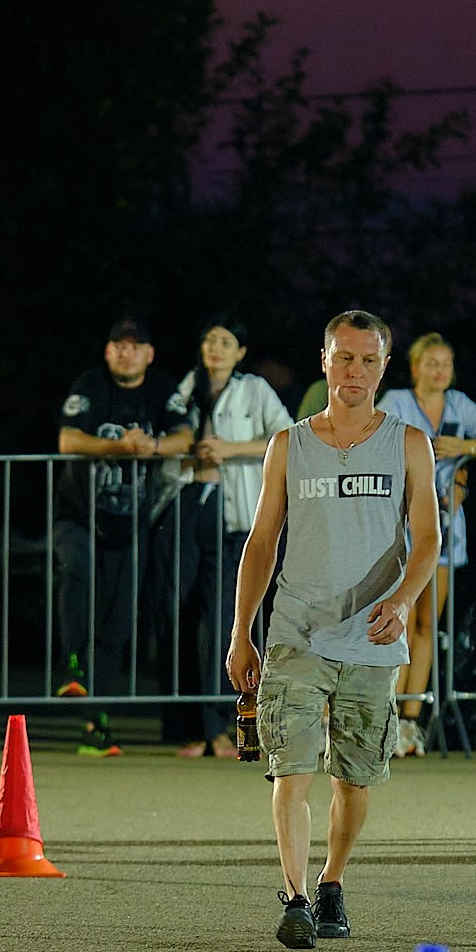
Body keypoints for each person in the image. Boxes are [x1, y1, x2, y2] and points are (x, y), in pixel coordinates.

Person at [227, 310, 440, 950]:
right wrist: (242, 631)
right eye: (344, 357)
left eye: (368, 360)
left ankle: (331, 883)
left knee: (354, 777)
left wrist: (403, 601)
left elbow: (427, 540)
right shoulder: (288, 445)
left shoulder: (408, 443)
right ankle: (293, 898)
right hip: (296, 630)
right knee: (291, 771)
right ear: (324, 360)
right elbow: (262, 542)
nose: (355, 371)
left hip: (373, 635)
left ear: (383, 367)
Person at [56, 317, 192, 755]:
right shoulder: (91, 385)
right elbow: (68, 440)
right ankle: (71, 665)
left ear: (149, 354)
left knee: (117, 624)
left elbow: (184, 436)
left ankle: (96, 726)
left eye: (135, 345)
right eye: (118, 344)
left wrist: (150, 448)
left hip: (131, 522)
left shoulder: (161, 389)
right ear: (107, 350)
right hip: (79, 514)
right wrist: (118, 447)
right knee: (76, 570)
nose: (125, 352)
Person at [377, 333, 476, 756]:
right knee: (395, 620)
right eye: (431, 362)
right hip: (399, 530)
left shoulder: (458, 406)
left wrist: (465, 451)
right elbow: (376, 441)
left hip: (445, 531)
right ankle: (384, 712)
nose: (439, 370)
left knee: (425, 625)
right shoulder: (397, 402)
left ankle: (410, 719)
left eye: (446, 363)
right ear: (415, 367)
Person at [163, 313, 291, 756]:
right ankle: (191, 727)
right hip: (188, 506)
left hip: (235, 514)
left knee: (221, 622)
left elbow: (285, 434)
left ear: (240, 352)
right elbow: (170, 432)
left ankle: (223, 725)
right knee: (179, 614)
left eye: (225, 341)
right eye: (209, 340)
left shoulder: (254, 389)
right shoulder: (185, 389)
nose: (215, 348)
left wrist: (230, 449)